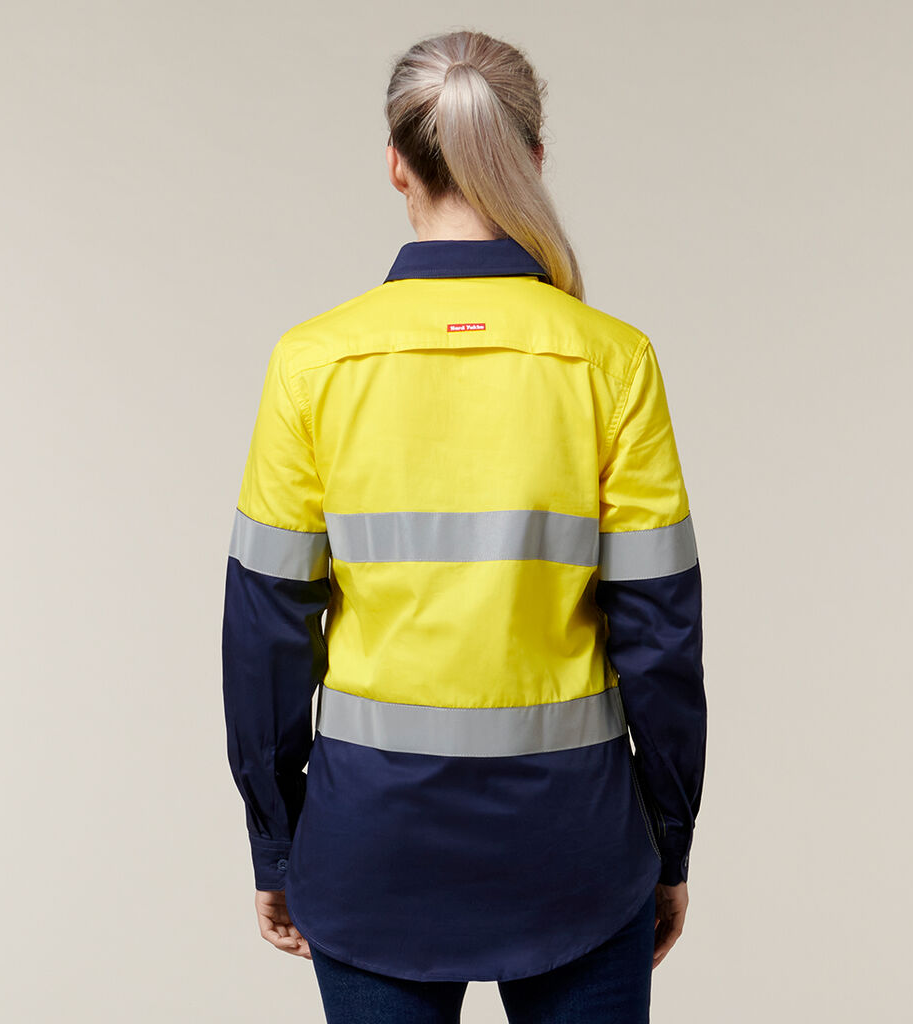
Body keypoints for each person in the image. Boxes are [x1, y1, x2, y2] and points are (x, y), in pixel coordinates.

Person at [221, 28, 707, 1024]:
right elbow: (661, 633)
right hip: (576, 850)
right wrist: (667, 839)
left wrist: (276, 841)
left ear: (396, 163)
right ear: (532, 157)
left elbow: (265, 633)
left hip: (370, 847)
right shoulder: (612, 362)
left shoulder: (312, 364)